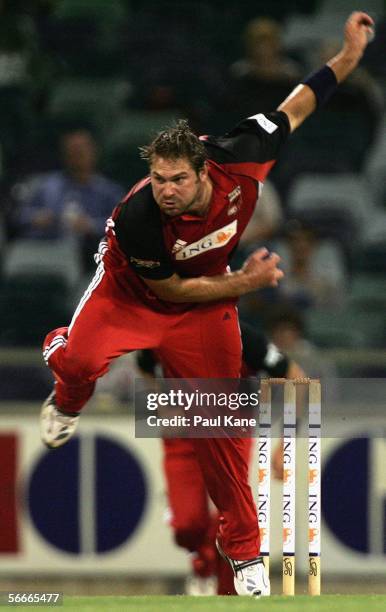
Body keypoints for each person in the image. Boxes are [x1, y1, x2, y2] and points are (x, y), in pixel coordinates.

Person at [39, 12, 374, 598]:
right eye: (157, 178)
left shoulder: (243, 153)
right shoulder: (137, 216)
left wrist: (346, 57)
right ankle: (65, 393)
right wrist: (244, 284)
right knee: (79, 365)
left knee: (222, 429)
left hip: (202, 311)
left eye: (176, 180)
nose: (166, 190)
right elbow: (168, 291)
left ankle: (245, 558)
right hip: (132, 295)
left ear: (203, 169)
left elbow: (297, 105)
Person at [136, 322, 305, 596]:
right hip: (182, 438)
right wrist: (163, 402)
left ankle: (227, 593)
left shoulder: (245, 337)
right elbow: (144, 365)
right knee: (187, 525)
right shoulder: (164, 330)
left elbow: (296, 379)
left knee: (231, 516)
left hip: (231, 432)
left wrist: (286, 442)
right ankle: (201, 561)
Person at [17, 129, 124, 270]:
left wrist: (90, 225)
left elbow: (123, 225)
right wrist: (35, 218)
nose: (75, 156)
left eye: (80, 151)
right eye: (70, 151)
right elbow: (19, 215)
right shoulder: (46, 185)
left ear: (93, 152)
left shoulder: (108, 191)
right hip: (45, 246)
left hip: (89, 255)